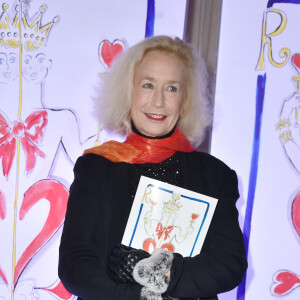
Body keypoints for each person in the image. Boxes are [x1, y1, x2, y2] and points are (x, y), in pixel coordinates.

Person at [58, 35, 247, 300]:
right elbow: (75, 267)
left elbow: (228, 265)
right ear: (129, 92)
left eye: (172, 88)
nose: (158, 102)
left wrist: (160, 272)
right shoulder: (96, 168)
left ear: (185, 100)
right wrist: (138, 296)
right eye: (148, 85)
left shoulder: (215, 176)